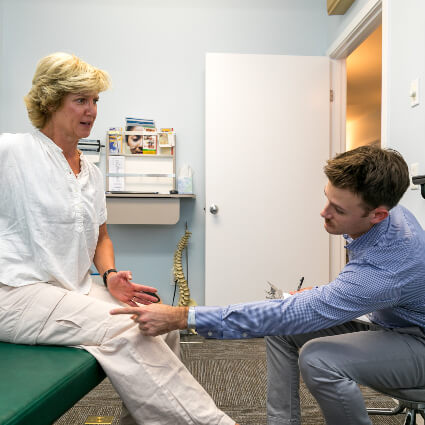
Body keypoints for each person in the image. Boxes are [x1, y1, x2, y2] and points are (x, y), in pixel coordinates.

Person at [0, 52, 237, 425]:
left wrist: (110, 276)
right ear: (50, 102)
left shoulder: (90, 173)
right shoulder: (13, 151)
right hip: (16, 293)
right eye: (80, 100)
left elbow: (101, 236)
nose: (92, 110)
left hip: (72, 288)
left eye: (95, 101)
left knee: (158, 319)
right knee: (132, 325)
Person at [112, 145, 425, 425]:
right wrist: (323, 295)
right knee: (283, 327)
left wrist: (183, 317)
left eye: (339, 210)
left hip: (418, 345)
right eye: (327, 199)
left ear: (377, 215)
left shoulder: (388, 263)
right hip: (391, 327)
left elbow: (371, 280)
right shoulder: (388, 212)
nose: (323, 213)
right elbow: (360, 284)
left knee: (319, 358)